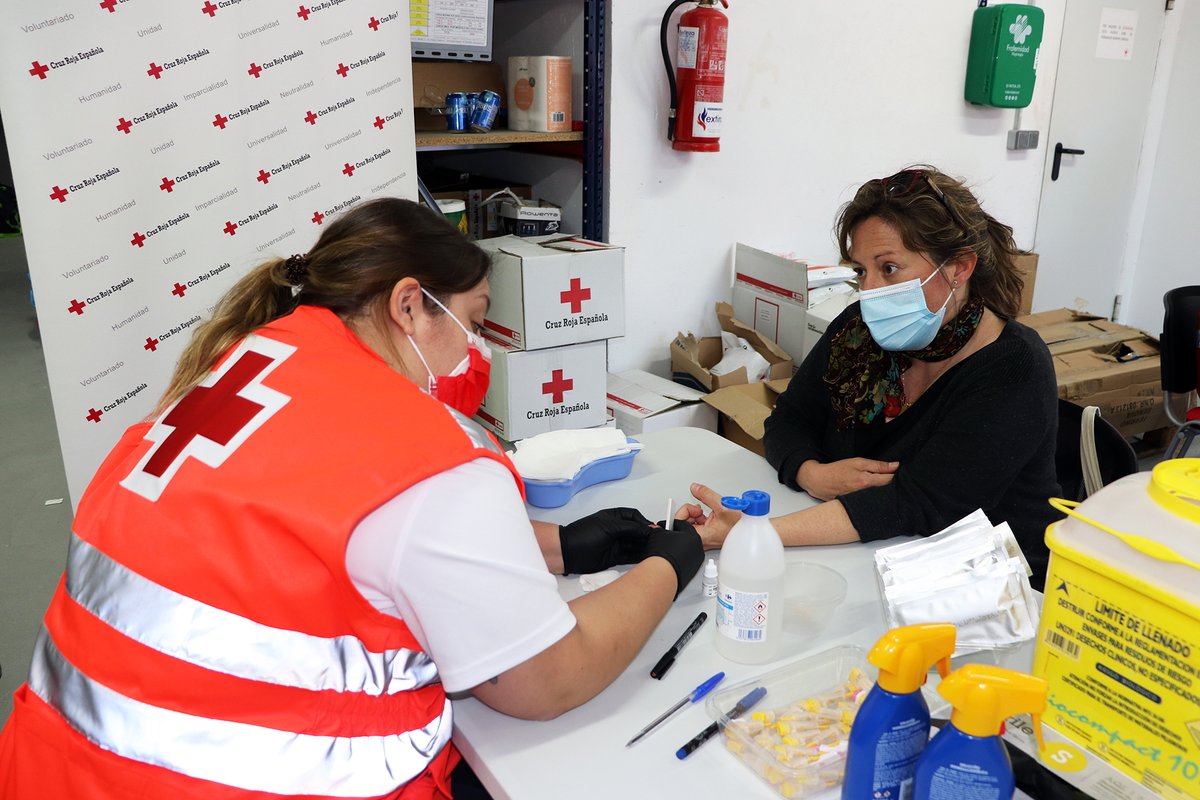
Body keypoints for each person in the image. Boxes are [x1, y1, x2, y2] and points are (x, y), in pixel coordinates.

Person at [0, 198, 703, 799]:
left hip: (53, 766)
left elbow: (298, 532)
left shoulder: (247, 365)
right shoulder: (426, 452)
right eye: (474, 321)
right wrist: (668, 565)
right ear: (409, 305)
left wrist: (556, 546)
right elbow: (548, 680)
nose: (477, 350)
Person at [685, 166, 1060, 588]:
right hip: (868, 560)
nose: (872, 291)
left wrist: (750, 533)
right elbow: (789, 419)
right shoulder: (859, 331)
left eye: (890, 268)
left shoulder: (1014, 367)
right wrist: (810, 472)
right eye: (862, 272)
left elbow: (917, 505)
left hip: (986, 583)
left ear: (958, 268)